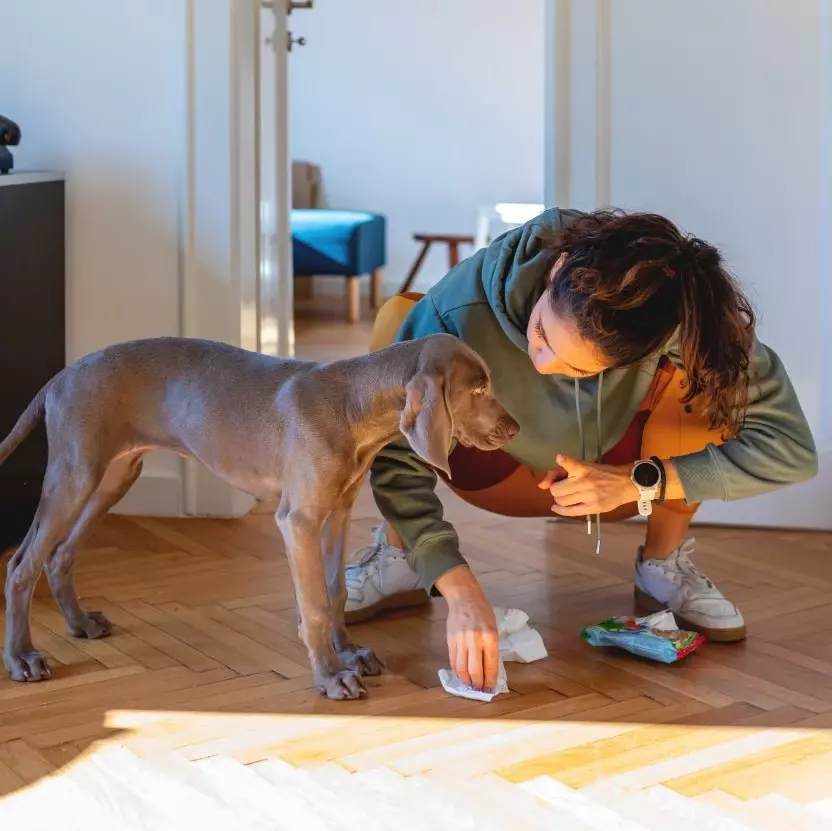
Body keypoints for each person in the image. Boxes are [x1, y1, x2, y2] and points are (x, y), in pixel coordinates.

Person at [344, 208, 818, 693]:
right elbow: (397, 460)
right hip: (491, 468)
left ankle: (662, 563)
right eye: (544, 335)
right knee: (399, 324)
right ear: (556, 268)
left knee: (704, 375)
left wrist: (638, 481)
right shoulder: (454, 312)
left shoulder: (674, 315)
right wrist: (456, 584)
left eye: (579, 370)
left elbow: (791, 451)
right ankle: (404, 558)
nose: (544, 365)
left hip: (616, 481)